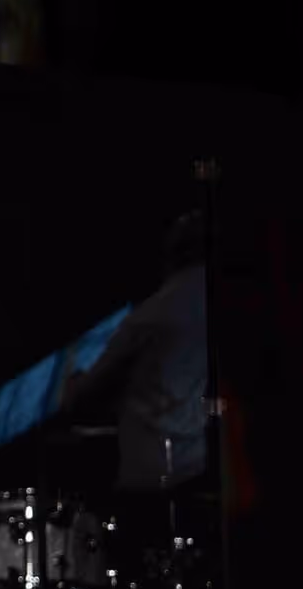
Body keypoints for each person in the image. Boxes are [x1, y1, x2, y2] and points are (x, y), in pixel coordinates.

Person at [60, 210, 209, 493]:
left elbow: (82, 396)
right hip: (207, 468)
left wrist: (72, 379)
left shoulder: (150, 316)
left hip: (153, 472)